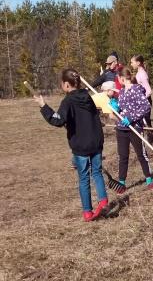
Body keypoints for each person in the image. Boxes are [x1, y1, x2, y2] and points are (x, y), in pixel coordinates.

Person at [33, 69, 108, 222]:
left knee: (84, 178)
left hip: (82, 145)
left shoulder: (68, 101)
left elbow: (58, 120)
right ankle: (103, 200)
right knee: (97, 173)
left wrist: (43, 106)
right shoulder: (87, 96)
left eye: (61, 83)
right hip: (96, 141)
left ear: (66, 84)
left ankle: (87, 212)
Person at [109, 67, 153, 192]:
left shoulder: (136, 90)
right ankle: (122, 183)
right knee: (123, 156)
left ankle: (149, 180)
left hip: (134, 127)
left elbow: (146, 107)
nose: (118, 82)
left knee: (141, 154)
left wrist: (131, 118)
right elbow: (121, 107)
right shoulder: (122, 92)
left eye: (119, 79)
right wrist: (115, 106)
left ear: (123, 78)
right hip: (121, 128)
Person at [130, 55, 153, 144]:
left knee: (146, 123)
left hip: (145, 102)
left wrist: (141, 100)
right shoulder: (139, 73)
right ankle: (147, 142)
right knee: (144, 122)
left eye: (132, 62)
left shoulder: (142, 74)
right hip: (142, 102)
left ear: (138, 63)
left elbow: (149, 91)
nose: (131, 64)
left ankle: (149, 142)